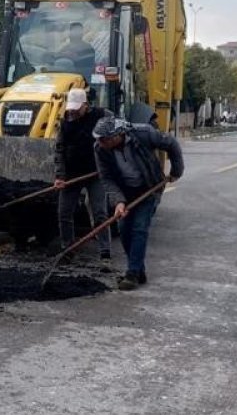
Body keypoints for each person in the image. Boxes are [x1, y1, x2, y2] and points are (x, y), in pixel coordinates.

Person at [92, 117, 185, 290]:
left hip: (149, 186)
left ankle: (132, 273)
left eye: (103, 139)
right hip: (125, 191)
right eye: (98, 139)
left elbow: (171, 143)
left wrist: (176, 171)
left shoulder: (143, 134)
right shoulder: (100, 149)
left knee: (139, 228)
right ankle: (139, 271)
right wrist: (119, 201)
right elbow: (107, 178)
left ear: (116, 136)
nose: (99, 143)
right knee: (124, 230)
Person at [53, 88, 111, 264]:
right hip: (72, 174)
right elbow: (59, 151)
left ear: (86, 105)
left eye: (77, 108)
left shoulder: (101, 116)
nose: (73, 112)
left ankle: (105, 253)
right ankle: (68, 249)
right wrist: (60, 176)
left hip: (96, 173)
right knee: (64, 212)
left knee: (100, 212)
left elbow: (115, 132)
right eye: (71, 109)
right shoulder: (65, 123)